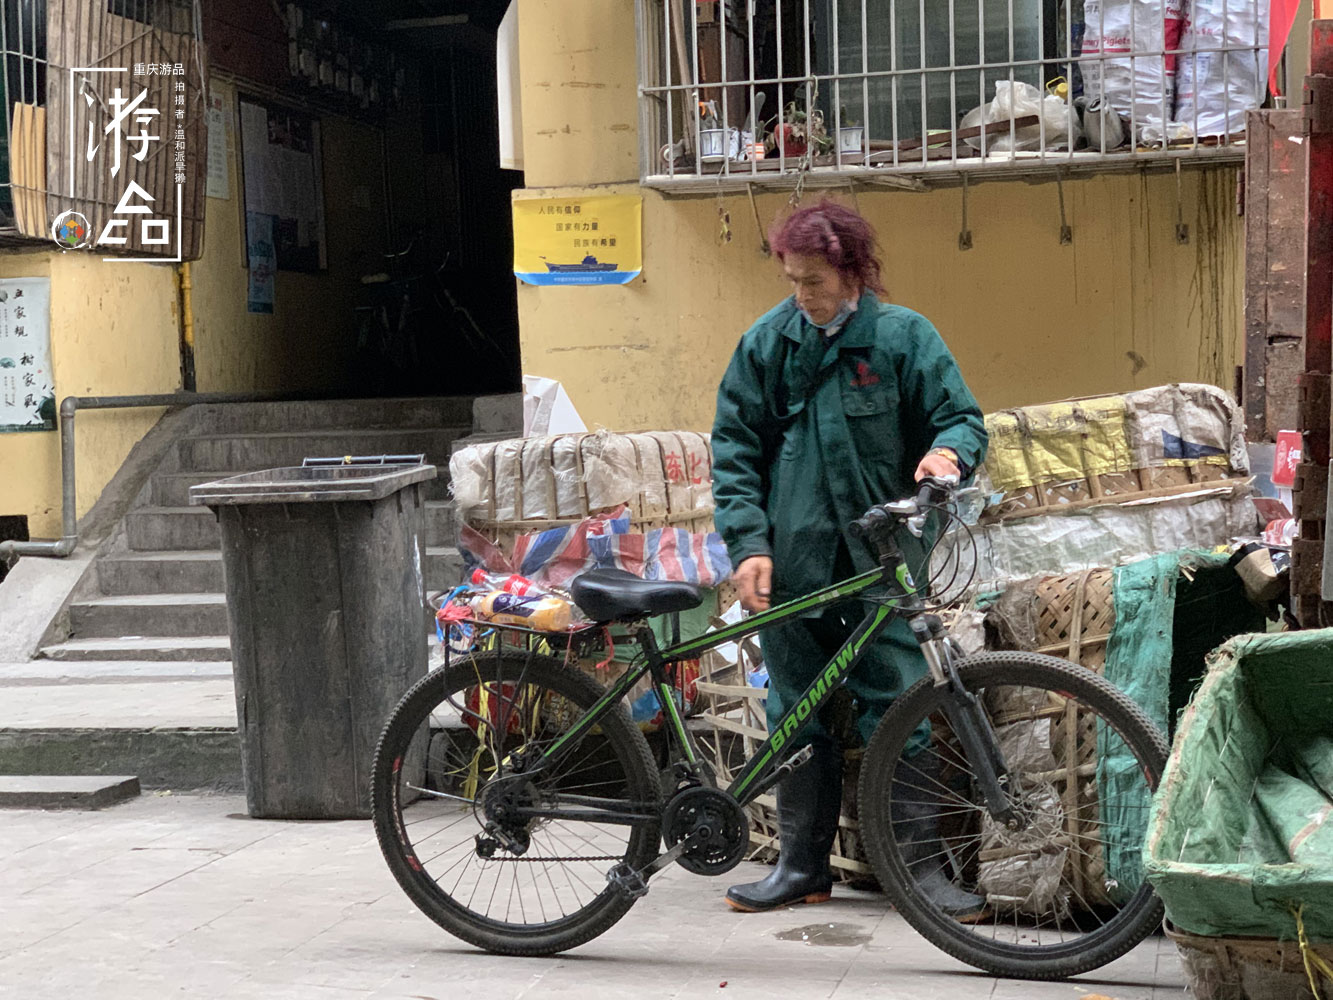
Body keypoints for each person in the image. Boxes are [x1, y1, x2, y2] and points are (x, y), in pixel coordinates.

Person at [711, 200, 989, 915]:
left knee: (897, 702)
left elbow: (959, 417)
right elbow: (735, 453)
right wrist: (748, 546)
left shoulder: (902, 339)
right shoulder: (765, 345)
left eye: (814, 281)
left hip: (884, 559)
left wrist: (944, 453)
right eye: (792, 280)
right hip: (793, 560)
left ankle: (919, 876)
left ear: (852, 271)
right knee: (795, 707)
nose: (802, 295)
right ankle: (801, 868)